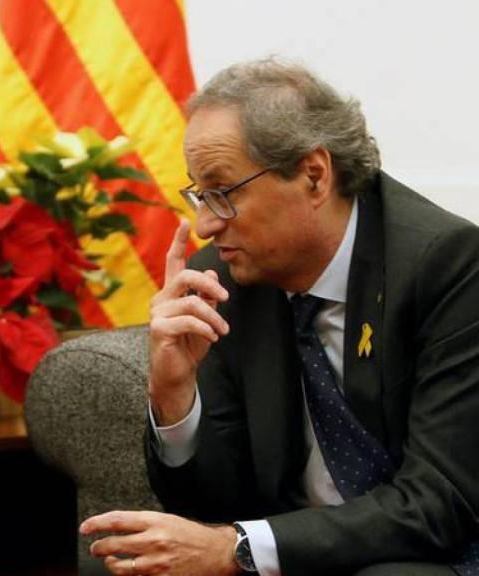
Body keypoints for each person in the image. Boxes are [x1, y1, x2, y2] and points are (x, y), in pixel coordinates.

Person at [79, 59, 479, 575]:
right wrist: (174, 396)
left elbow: (437, 501)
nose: (203, 225)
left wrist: (241, 549)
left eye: (223, 193)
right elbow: (211, 507)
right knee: (114, 565)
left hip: (429, 550)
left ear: (314, 175)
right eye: (199, 195)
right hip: (288, 545)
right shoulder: (221, 279)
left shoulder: (445, 265)